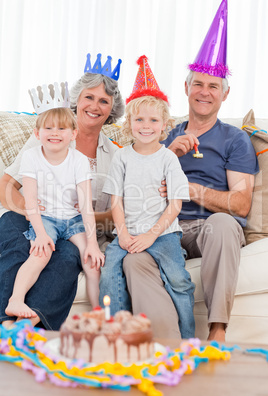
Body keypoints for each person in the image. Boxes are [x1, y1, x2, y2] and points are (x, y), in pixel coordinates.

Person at [122, 0, 259, 341]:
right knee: (133, 260)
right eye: (198, 84)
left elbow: (241, 205)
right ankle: (170, 344)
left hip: (209, 227)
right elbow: (133, 186)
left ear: (224, 96)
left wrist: (191, 190)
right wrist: (166, 153)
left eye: (214, 86)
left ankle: (217, 332)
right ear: (186, 88)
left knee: (225, 224)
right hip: (163, 226)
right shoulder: (159, 131)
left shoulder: (235, 140)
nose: (204, 92)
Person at [0, 53, 124, 329]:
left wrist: (91, 225)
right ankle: (4, 318)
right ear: (76, 100)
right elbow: (6, 186)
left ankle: (31, 324)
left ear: (111, 109)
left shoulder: (115, 156)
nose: (95, 106)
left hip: (76, 225)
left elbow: (112, 213)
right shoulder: (50, 135)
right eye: (89, 97)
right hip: (27, 213)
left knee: (69, 256)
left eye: (104, 101)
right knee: (22, 238)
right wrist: (34, 215)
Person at [99, 56, 195, 339]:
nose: (146, 125)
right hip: (127, 232)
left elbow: (175, 204)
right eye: (139, 119)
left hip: (163, 234)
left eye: (153, 120)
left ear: (165, 124)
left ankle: (188, 339)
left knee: (179, 280)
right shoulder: (122, 157)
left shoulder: (168, 158)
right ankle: (117, 336)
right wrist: (125, 234)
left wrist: (152, 236)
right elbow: (116, 200)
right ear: (129, 122)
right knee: (109, 274)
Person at [5, 102, 105, 322]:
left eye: (61, 129)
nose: (54, 133)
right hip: (46, 218)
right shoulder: (32, 156)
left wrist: (93, 243)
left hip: (72, 219)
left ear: (73, 134)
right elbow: (30, 200)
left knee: (89, 258)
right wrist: (41, 234)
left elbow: (86, 204)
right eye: (48, 128)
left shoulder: (78, 160)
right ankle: (16, 300)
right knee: (41, 254)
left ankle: (99, 312)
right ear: (37, 133)